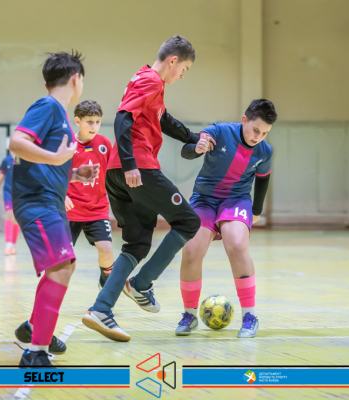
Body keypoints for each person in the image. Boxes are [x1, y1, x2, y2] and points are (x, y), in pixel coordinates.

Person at [82, 35, 202, 342]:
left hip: (116, 173)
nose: (183, 75)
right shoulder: (150, 80)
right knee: (189, 221)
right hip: (137, 168)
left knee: (136, 245)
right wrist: (130, 163)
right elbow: (123, 119)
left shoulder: (147, 80)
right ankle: (141, 285)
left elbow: (164, 120)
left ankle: (100, 309)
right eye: (185, 69)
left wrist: (193, 137)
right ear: (173, 61)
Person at [9, 51, 99, 366]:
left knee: (64, 265)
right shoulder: (47, 106)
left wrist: (74, 174)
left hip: (49, 200)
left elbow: (45, 162)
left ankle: (35, 327)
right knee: (61, 266)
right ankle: (36, 351)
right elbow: (17, 142)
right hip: (36, 201)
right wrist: (57, 159)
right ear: (76, 79)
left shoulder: (59, 114)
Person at [175, 99, 277, 338]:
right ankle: (189, 315)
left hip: (236, 201)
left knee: (238, 246)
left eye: (265, 133)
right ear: (244, 120)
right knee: (191, 250)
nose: (258, 137)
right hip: (204, 200)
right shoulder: (219, 132)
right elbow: (186, 151)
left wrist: (257, 210)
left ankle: (250, 317)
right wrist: (196, 148)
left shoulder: (265, 151)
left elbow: (263, 179)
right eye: (255, 130)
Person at [64, 100, 114, 289]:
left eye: (97, 122)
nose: (94, 126)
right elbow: (55, 174)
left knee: (106, 249)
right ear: (77, 121)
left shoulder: (104, 144)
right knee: (63, 258)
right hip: (70, 209)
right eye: (89, 122)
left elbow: (113, 174)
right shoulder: (67, 144)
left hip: (97, 208)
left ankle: (105, 287)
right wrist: (62, 195)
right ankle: (53, 291)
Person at [0, 148, 19, 254]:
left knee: (16, 218)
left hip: (19, 193)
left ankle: (13, 246)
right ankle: (8, 245)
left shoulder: (21, 160)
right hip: (8, 193)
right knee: (9, 215)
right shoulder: (6, 160)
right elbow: (1, 178)